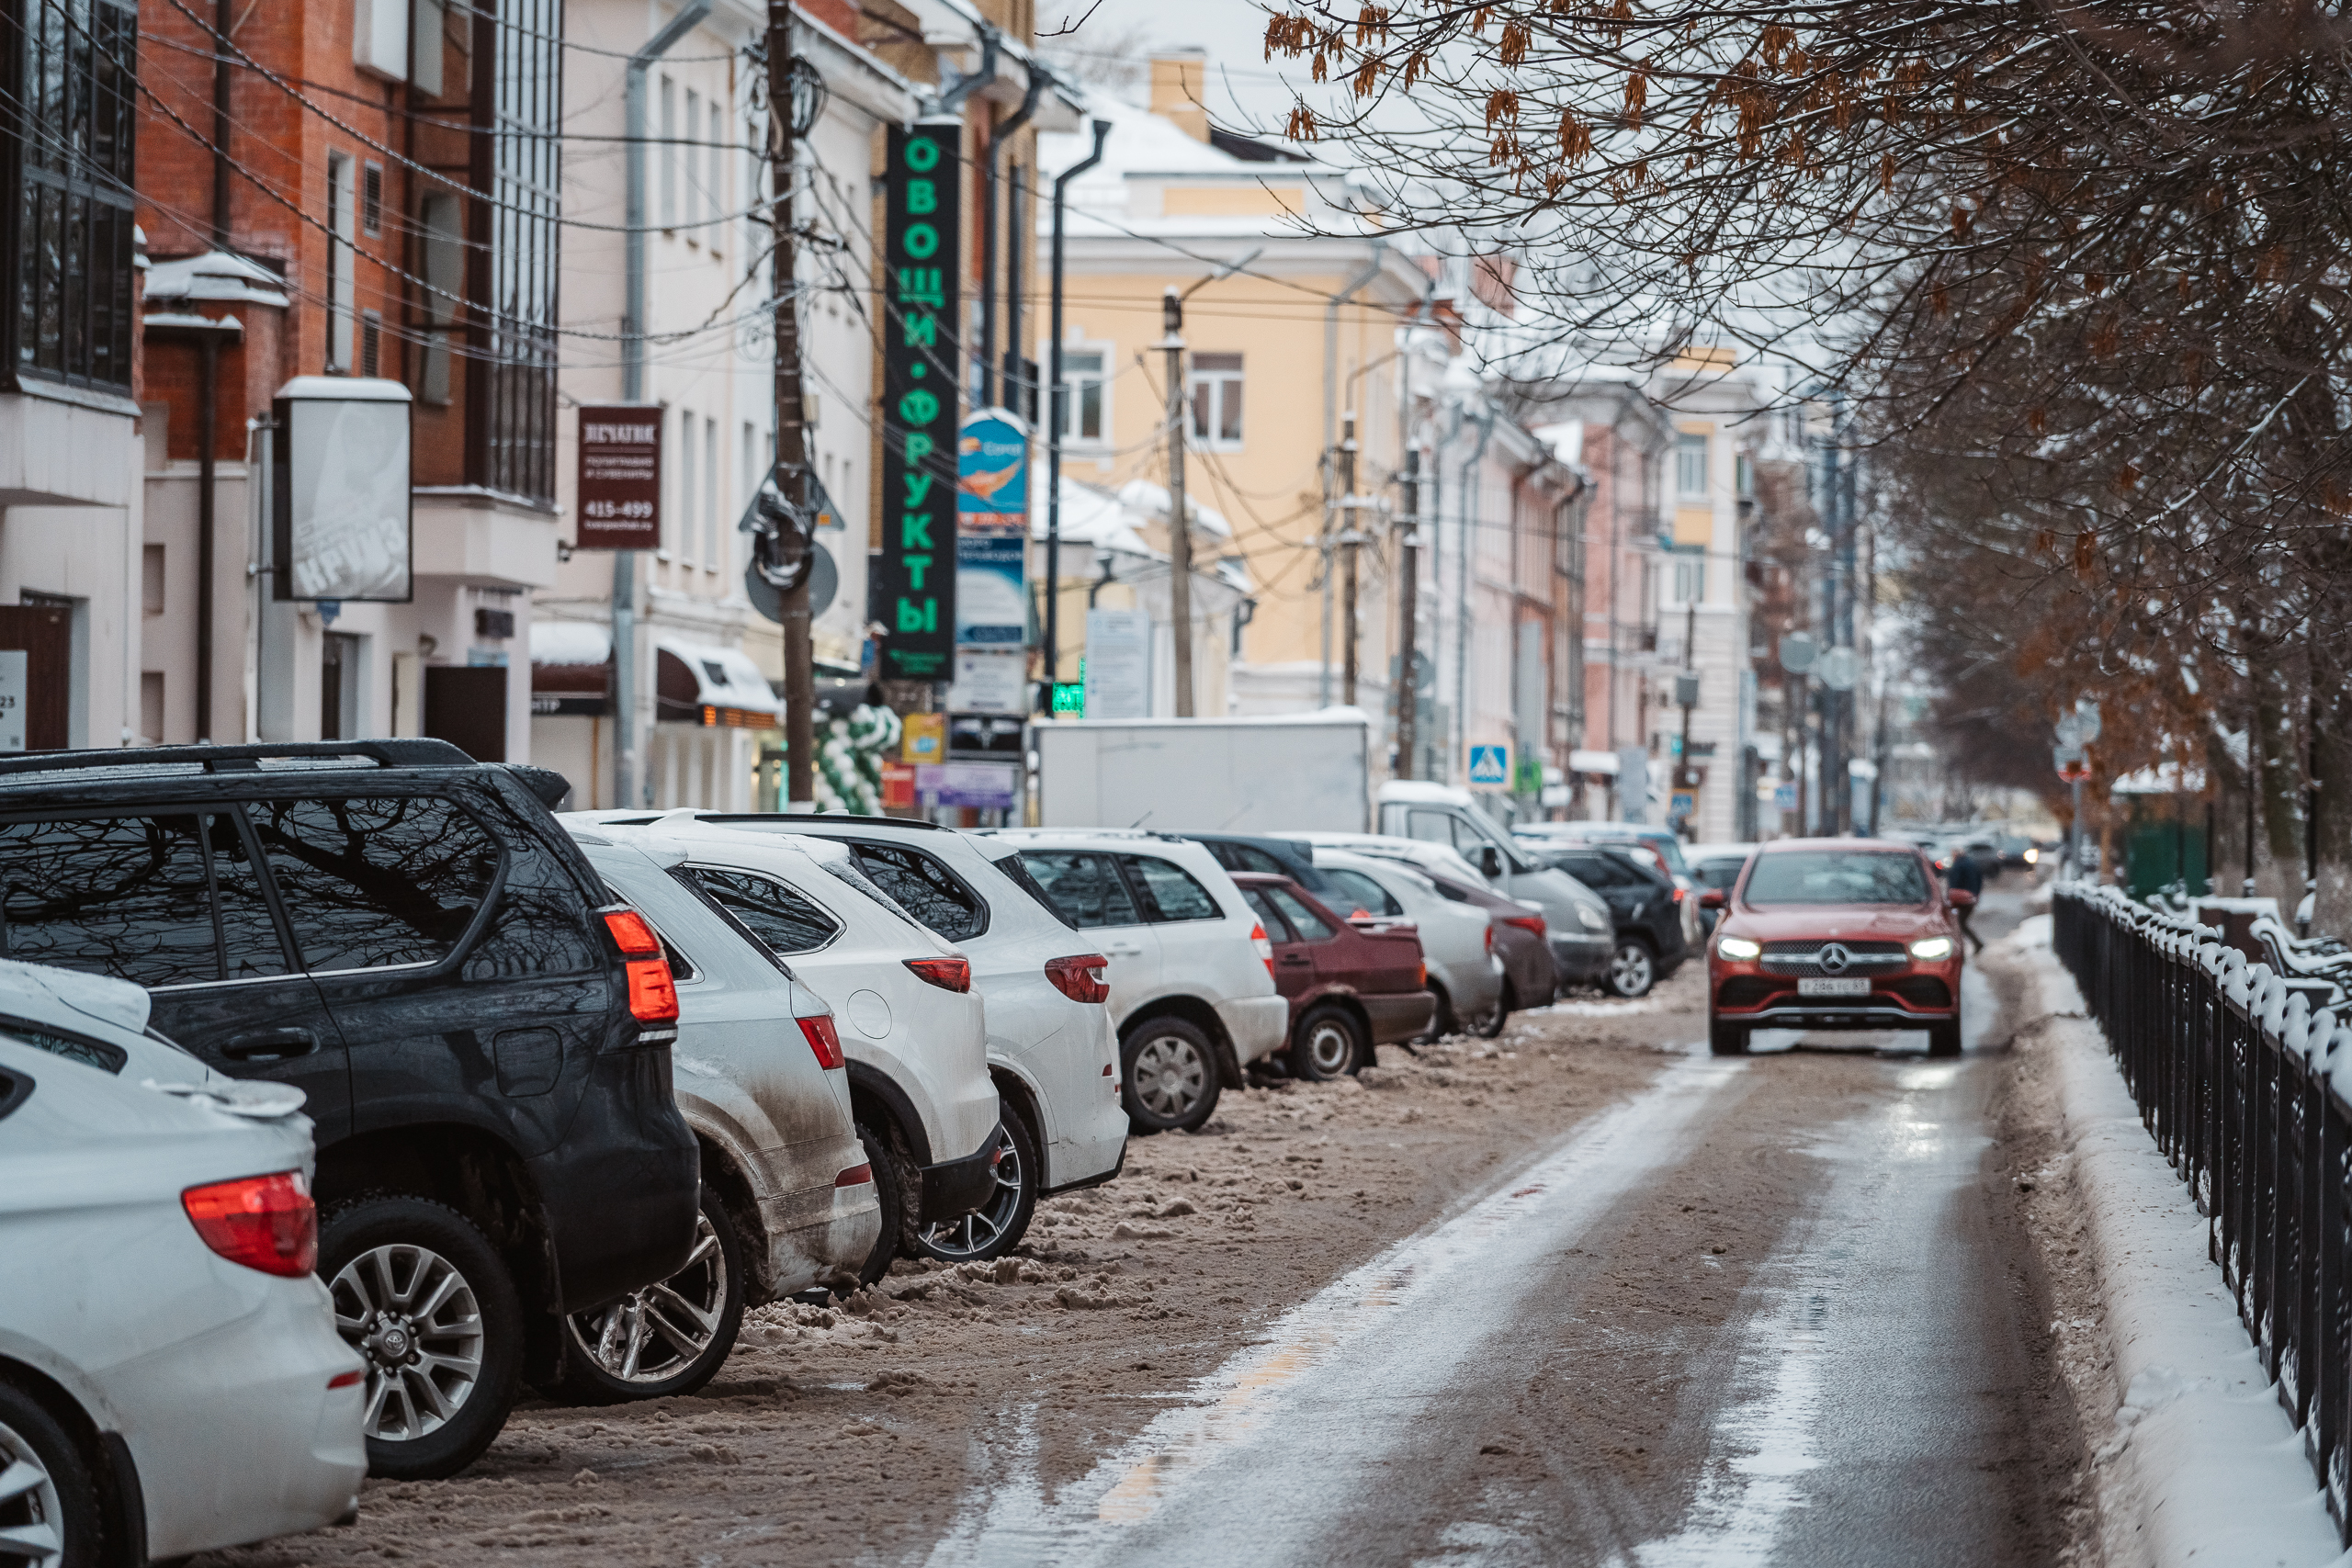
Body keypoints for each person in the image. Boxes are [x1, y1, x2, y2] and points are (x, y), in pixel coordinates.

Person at [1948, 848, 1985, 953]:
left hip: (1961, 898)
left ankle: (1962, 948)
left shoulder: (1958, 865)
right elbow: (1979, 880)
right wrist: (1976, 895)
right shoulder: (1972, 863)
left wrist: (1949, 896)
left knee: (1959, 924)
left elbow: (1954, 883)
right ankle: (1974, 944)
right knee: (1961, 923)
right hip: (1971, 898)